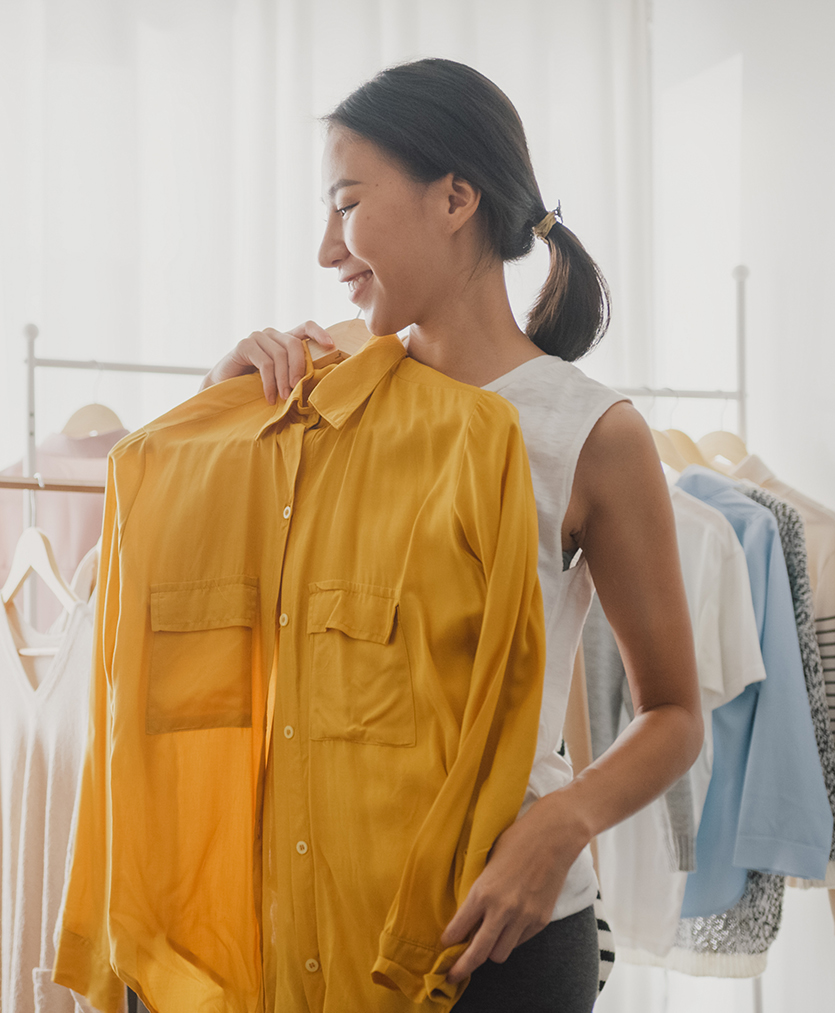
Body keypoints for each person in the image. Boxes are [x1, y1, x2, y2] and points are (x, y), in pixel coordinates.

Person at [201, 59, 703, 1012]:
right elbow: (215, 608)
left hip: (496, 935)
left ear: (456, 198)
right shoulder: (324, 396)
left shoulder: (587, 434)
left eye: (346, 205)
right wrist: (214, 411)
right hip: (314, 924)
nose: (324, 249)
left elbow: (675, 713)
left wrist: (564, 823)